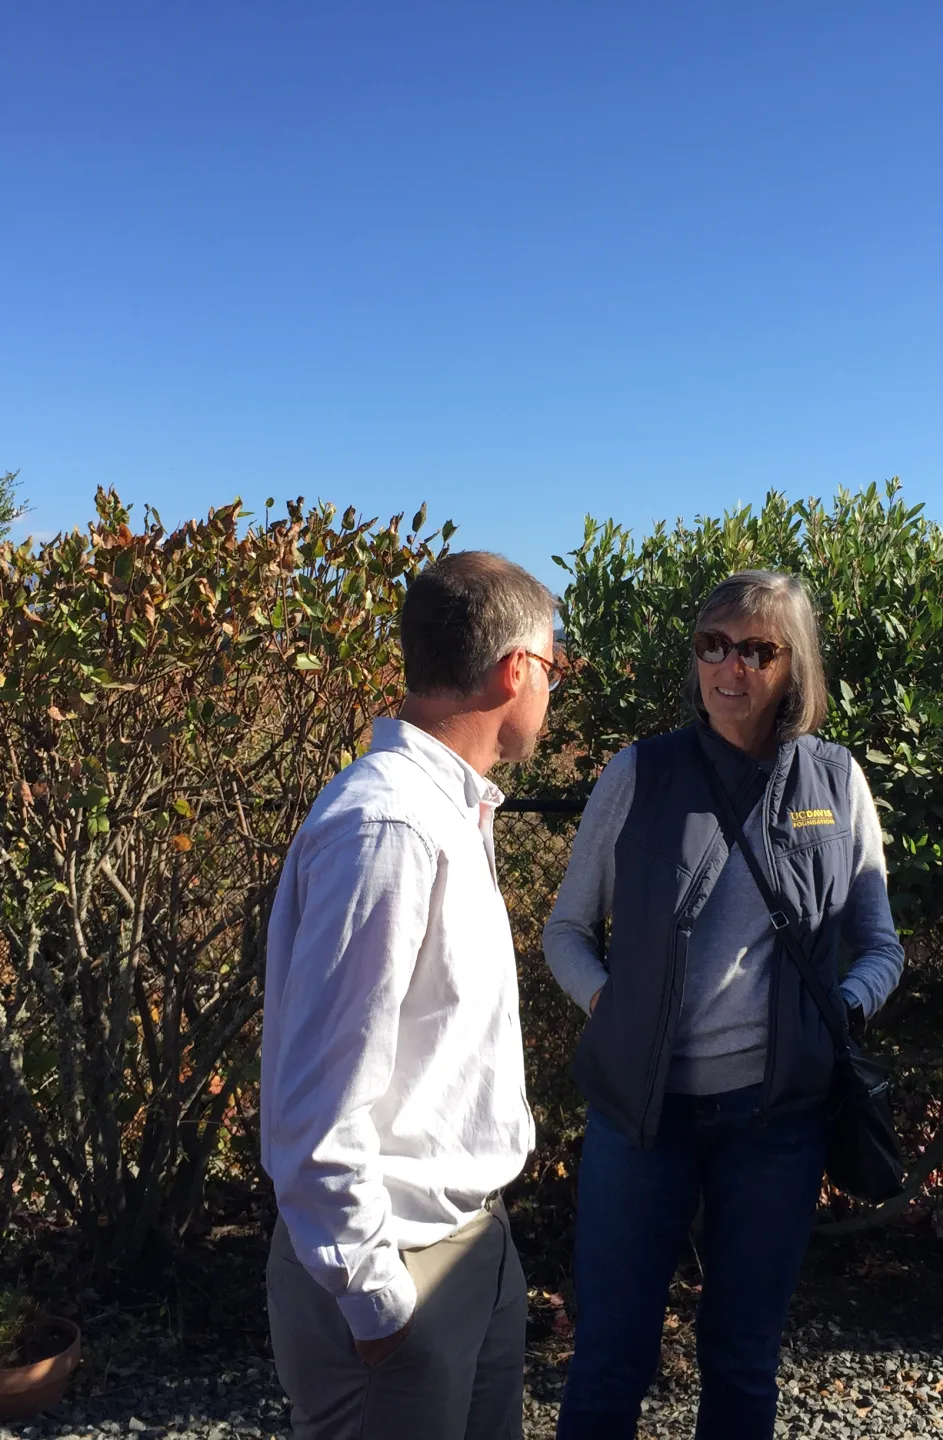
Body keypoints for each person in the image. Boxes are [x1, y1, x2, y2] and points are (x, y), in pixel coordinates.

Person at [543, 569, 905, 1440]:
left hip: (776, 1124)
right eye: (712, 645)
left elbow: (880, 944)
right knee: (608, 1363)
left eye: (755, 649)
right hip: (641, 1117)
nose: (728, 668)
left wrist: (841, 1016)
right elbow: (565, 931)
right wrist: (611, 1007)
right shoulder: (640, 773)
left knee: (742, 1365)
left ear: (795, 668)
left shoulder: (834, 780)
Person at [261, 551, 558, 1440]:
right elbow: (318, 1105)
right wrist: (377, 1300)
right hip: (395, 1269)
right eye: (555, 669)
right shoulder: (385, 826)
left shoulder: (451, 813)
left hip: (471, 1247)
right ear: (515, 671)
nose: (553, 691)